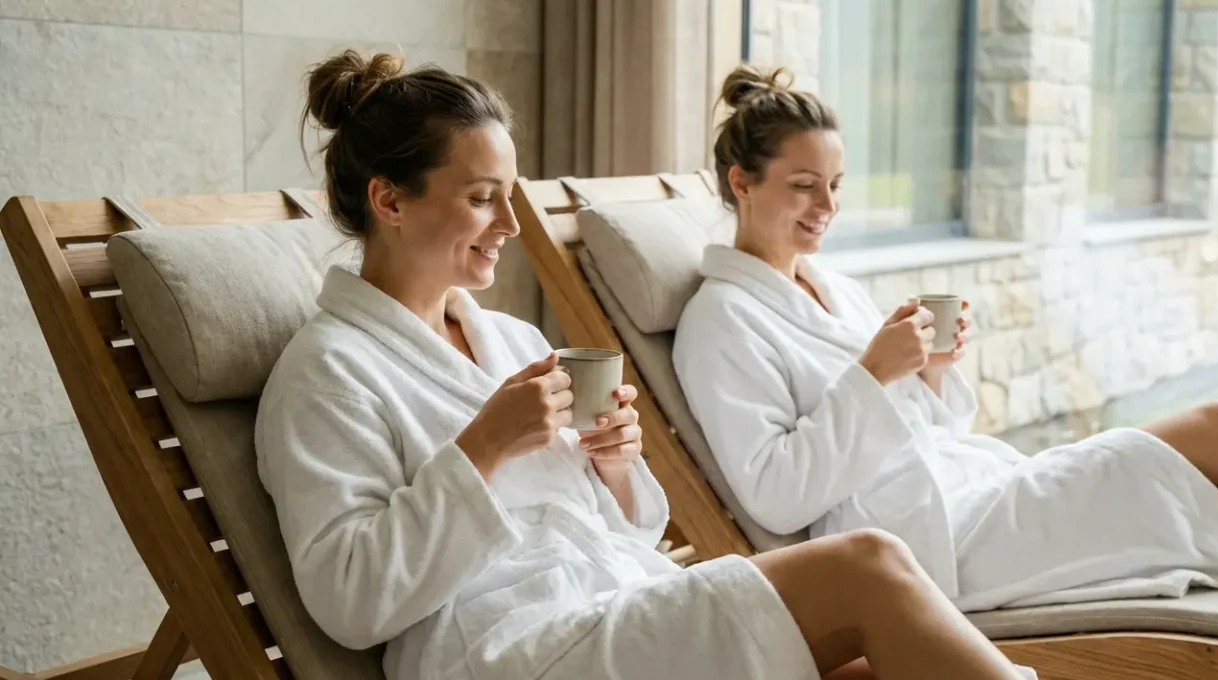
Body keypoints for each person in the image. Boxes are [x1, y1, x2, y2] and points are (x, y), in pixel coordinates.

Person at [254, 50, 1036, 680]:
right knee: (868, 565)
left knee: (876, 664)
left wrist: (617, 469)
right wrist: (483, 446)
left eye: (511, 197)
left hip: (610, 605)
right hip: (504, 647)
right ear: (390, 201)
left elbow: (631, 529)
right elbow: (351, 601)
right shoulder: (327, 374)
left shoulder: (513, 341)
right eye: (484, 197)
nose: (510, 225)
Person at [673, 64, 1218, 614]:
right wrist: (873, 374)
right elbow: (776, 495)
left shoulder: (832, 287)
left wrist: (929, 372)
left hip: (970, 493)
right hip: (925, 539)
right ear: (742, 182)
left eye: (835, 185)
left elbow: (920, 425)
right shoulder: (720, 321)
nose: (828, 206)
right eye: (804, 186)